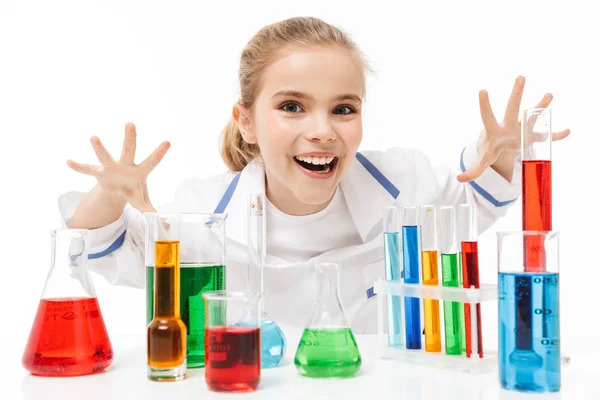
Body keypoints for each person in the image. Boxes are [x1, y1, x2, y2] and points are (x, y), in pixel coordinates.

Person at [59, 16, 570, 333]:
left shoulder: (403, 181)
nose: (323, 131)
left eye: (344, 109)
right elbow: (100, 248)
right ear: (247, 122)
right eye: (292, 107)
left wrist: (499, 152)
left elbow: (474, 201)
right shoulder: (203, 212)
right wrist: (108, 193)